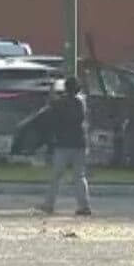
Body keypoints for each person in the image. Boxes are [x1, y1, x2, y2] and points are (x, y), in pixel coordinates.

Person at [39, 76, 92, 216]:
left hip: (64, 144)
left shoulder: (61, 103)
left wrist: (52, 89)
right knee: (79, 176)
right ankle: (84, 205)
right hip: (80, 142)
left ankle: (49, 204)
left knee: (56, 175)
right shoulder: (82, 102)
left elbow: (49, 104)